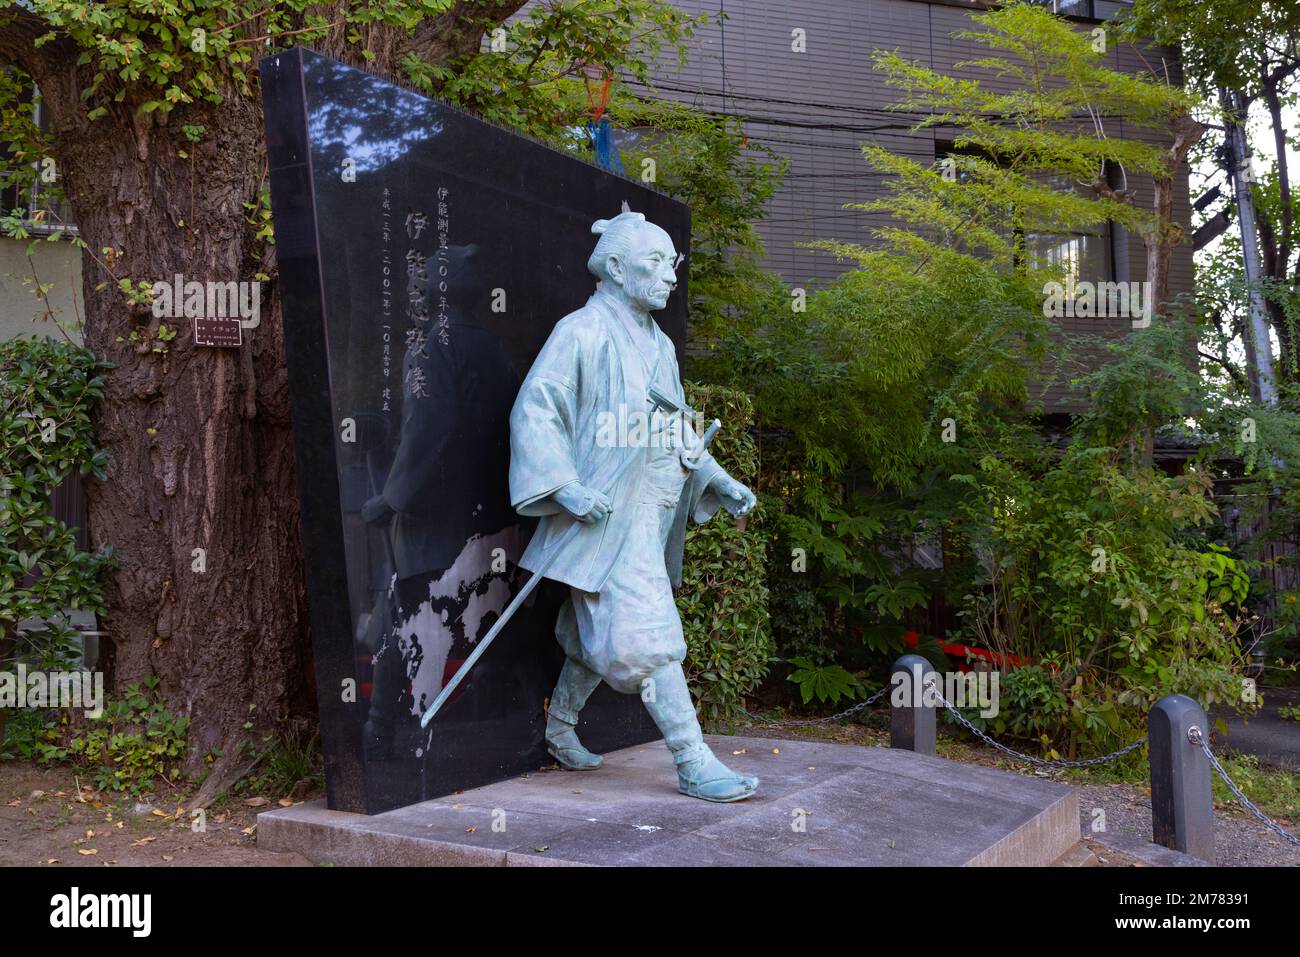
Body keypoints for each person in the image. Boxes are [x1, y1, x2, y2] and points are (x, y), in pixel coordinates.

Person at [508, 209, 759, 802]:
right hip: (601, 513)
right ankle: (693, 759)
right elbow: (537, 408)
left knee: (594, 630)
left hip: (647, 512)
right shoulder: (582, 332)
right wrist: (562, 485)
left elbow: (676, 430)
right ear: (616, 267)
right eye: (656, 263)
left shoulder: (660, 346)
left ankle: (561, 728)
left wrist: (716, 477)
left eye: (672, 264)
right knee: (647, 631)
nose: (672, 276)